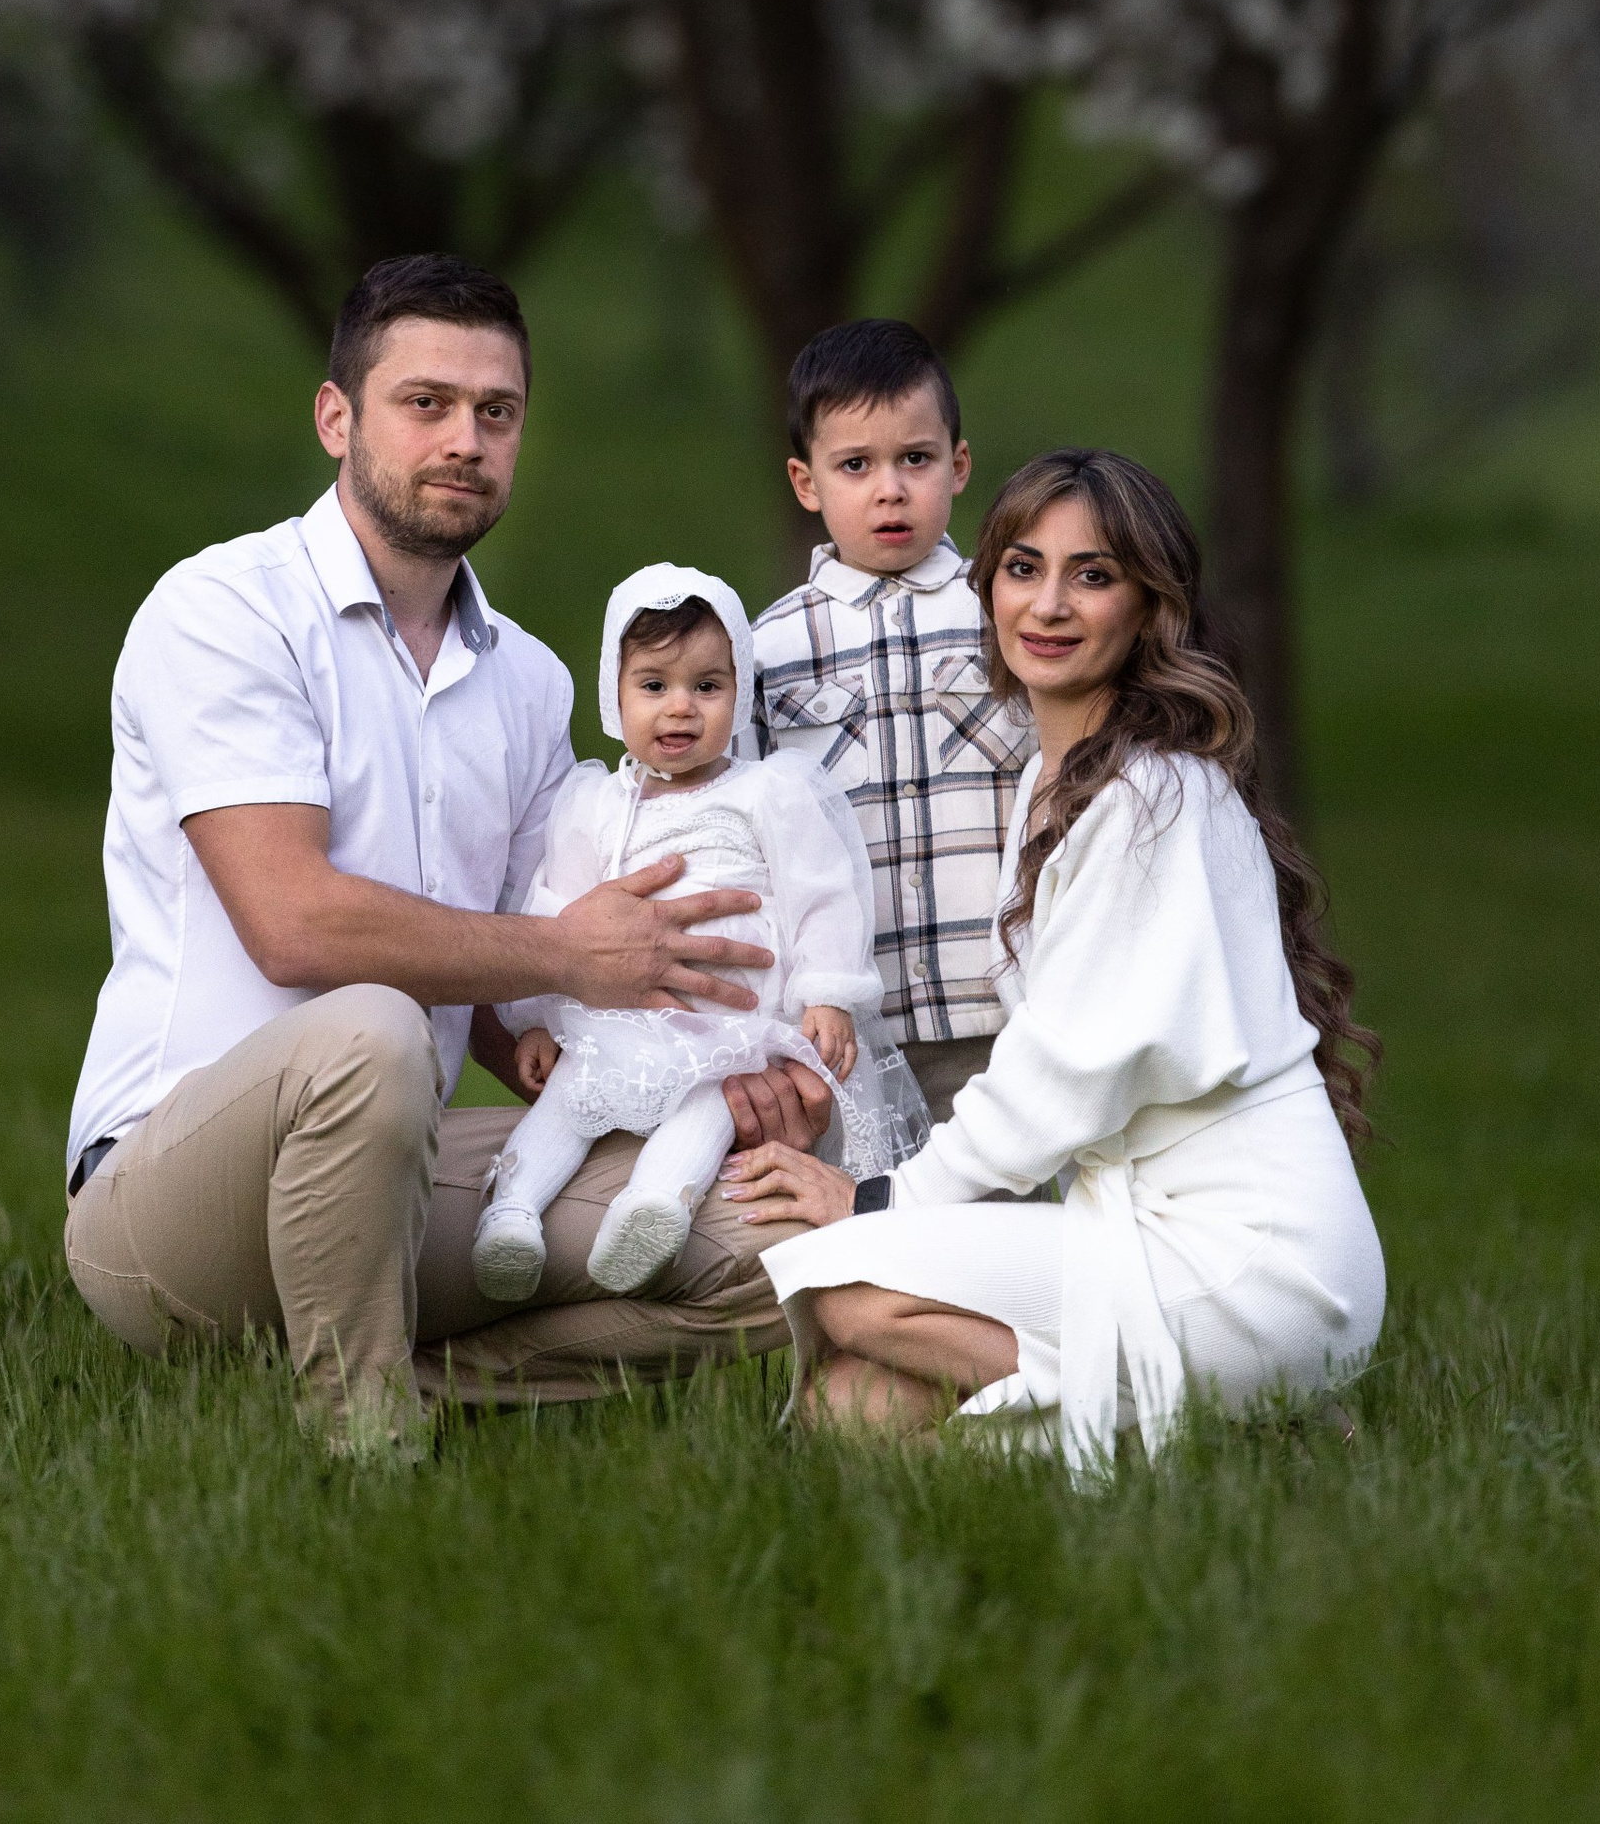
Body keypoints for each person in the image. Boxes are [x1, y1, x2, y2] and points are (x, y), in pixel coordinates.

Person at [60, 253, 828, 1455]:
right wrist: (569, 953)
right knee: (367, 1028)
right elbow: (293, 923)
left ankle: (405, 1385)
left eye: (496, 411)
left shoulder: (524, 680)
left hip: (393, 1173)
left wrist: (722, 1077)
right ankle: (367, 1447)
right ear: (336, 418)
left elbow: (530, 998)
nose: (464, 438)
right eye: (426, 403)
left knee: (782, 1237)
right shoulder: (223, 611)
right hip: (168, 1199)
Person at [730, 446, 1386, 1473]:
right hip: (1134, 1234)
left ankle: (1237, 1418)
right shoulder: (1057, 774)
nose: (1048, 604)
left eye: (1093, 574)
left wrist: (878, 1204)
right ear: (986, 583)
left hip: (1251, 1260)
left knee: (845, 1282)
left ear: (1148, 605)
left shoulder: (1151, 795)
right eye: (1023, 567)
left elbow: (1063, 1073)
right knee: (849, 1408)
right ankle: (1206, 1418)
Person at [474, 564, 916, 1303]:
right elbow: (552, 913)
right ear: (614, 695)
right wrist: (535, 1020)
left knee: (709, 1105)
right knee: (568, 1098)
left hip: (729, 1030)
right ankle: (510, 1217)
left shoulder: (768, 793)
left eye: (707, 686)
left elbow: (823, 897)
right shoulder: (593, 805)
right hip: (613, 1021)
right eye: (654, 686)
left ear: (739, 690)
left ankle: (654, 1207)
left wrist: (829, 995)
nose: (680, 708)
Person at [751, 319, 1034, 1124]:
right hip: (844, 1032)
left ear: (960, 464)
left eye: (916, 458)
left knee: (998, 1235)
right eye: (855, 465)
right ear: (807, 484)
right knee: (856, 1234)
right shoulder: (767, 650)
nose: (890, 489)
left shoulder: (1009, 616)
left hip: (1001, 1015)